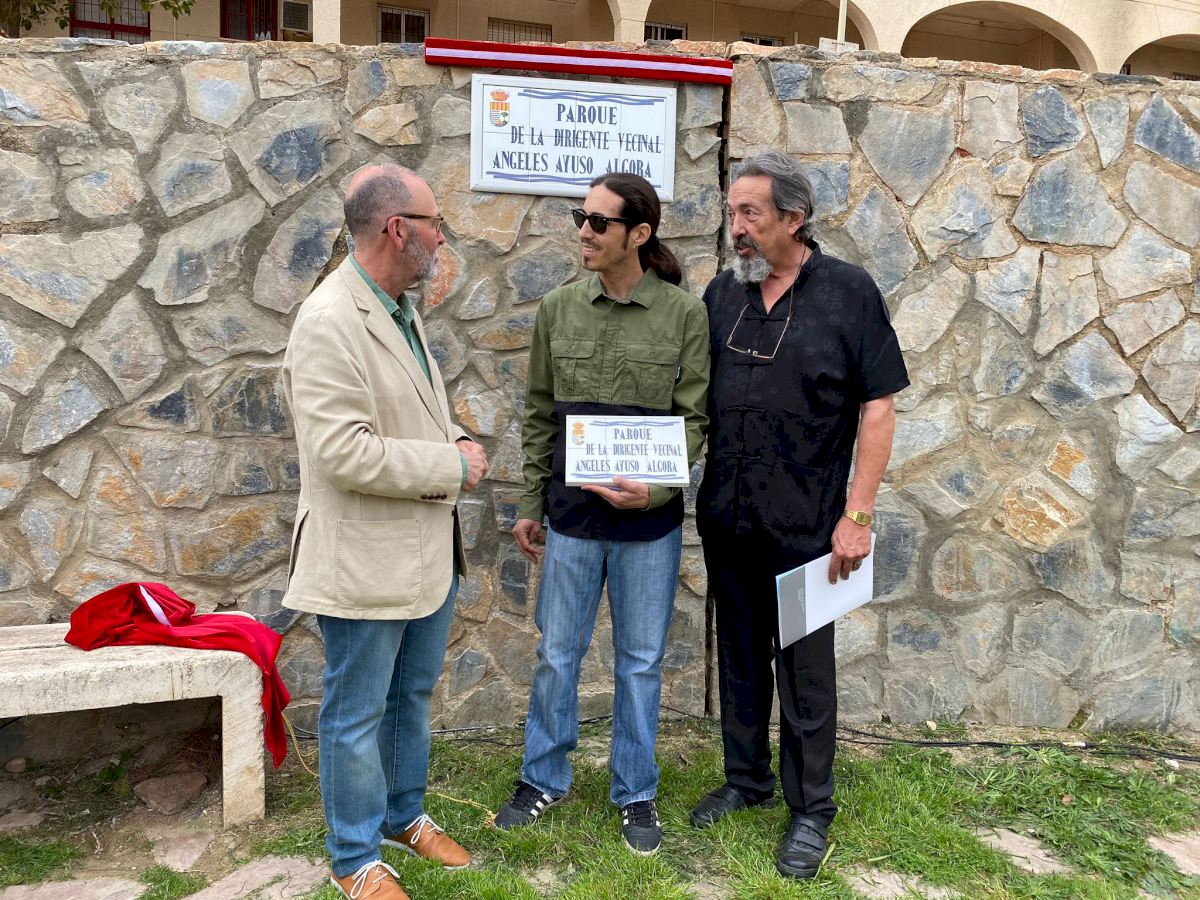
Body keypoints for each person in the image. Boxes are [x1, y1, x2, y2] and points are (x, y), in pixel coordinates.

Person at [690, 149, 909, 879]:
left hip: (811, 526)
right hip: (729, 516)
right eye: (732, 213)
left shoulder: (848, 292)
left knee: (805, 672)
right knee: (740, 656)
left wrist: (858, 514)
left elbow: (878, 408)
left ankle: (811, 808)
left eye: (750, 213)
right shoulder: (723, 294)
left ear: (794, 217)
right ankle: (745, 779)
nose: (737, 227)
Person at [282, 164, 489, 900]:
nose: (443, 238)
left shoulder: (399, 307)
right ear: (398, 230)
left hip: (424, 554)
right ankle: (353, 858)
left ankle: (403, 818)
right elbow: (343, 453)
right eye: (435, 224)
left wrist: (452, 437)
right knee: (355, 713)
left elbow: (408, 413)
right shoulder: (328, 320)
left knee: (409, 698)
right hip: (365, 559)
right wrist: (451, 465)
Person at [495, 173, 710, 856]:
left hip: (648, 528)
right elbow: (539, 413)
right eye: (580, 218)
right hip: (571, 520)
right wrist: (531, 502)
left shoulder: (685, 315)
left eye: (598, 221)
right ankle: (542, 778)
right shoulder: (559, 309)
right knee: (557, 655)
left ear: (638, 234)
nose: (583, 232)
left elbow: (694, 420)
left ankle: (636, 792)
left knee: (640, 664)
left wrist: (659, 491)